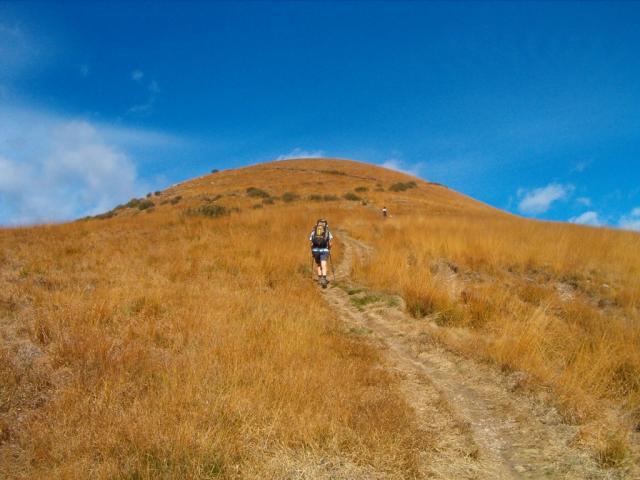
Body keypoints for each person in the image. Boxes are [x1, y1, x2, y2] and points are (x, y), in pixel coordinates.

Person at [309, 219, 333, 288]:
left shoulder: (314, 232)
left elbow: (311, 243)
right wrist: (329, 248)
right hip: (324, 250)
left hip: (315, 250)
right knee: (324, 263)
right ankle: (324, 278)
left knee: (319, 264)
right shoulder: (327, 232)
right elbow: (330, 243)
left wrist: (312, 250)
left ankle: (319, 279)